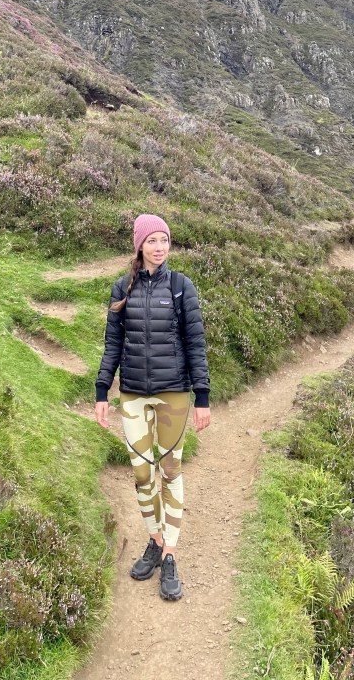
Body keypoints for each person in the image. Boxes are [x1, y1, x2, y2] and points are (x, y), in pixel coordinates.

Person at [94, 213, 211, 601]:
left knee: (170, 470)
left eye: (165, 240)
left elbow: (195, 344)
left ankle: (170, 554)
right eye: (152, 241)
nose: (160, 248)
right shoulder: (121, 289)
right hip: (132, 394)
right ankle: (155, 541)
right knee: (143, 475)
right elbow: (112, 345)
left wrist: (202, 397)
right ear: (139, 245)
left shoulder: (180, 287)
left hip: (173, 393)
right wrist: (101, 392)